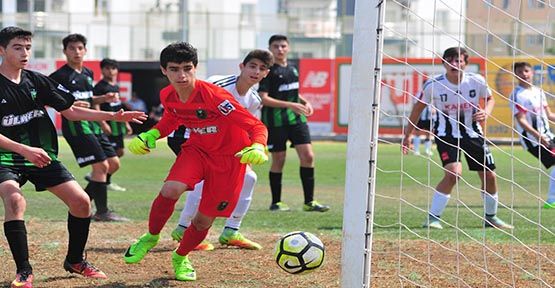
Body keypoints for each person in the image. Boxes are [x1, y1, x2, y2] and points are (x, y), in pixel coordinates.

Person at [0, 26, 146, 288]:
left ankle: (76, 260)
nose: (25, 53)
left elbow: (72, 111)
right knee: (14, 201)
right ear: (2, 50)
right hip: (6, 157)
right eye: (18, 47)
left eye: (28, 47)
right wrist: (24, 150)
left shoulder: (36, 80)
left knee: (81, 203)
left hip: (41, 155)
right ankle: (24, 271)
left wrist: (112, 116)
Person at [123, 42, 268, 282]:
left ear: (195, 68)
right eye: (174, 69)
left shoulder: (214, 96)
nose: (181, 75)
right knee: (170, 190)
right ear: (164, 70)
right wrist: (152, 134)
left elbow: (255, 125)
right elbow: (172, 118)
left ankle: (180, 257)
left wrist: (258, 146)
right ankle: (150, 237)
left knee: (203, 221)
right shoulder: (167, 94)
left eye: (187, 68)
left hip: (229, 160)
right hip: (197, 150)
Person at [169, 49, 274, 251]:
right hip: (189, 135)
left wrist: (250, 150)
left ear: (265, 74)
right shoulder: (218, 84)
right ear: (242, 67)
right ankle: (183, 229)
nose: (256, 71)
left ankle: (231, 231)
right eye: (252, 66)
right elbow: (190, 103)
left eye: (262, 68)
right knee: (203, 182)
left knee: (249, 178)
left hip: (221, 145)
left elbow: (244, 127)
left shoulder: (254, 100)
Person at [402, 47, 513, 230]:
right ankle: (432, 218)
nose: (455, 64)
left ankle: (491, 218)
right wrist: (408, 135)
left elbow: (490, 99)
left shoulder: (476, 81)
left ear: (465, 64)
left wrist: (486, 111)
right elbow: (417, 109)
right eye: (450, 61)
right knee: (453, 173)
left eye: (459, 61)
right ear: (444, 63)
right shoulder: (433, 85)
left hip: (473, 133)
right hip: (446, 135)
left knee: (489, 176)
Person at [49, 34, 127, 222]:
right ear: (65, 51)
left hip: (92, 124)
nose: (76, 52)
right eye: (72, 48)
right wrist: (70, 105)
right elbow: (50, 101)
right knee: (101, 167)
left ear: (85, 50)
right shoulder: (58, 77)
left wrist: (103, 99)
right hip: (76, 127)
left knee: (114, 163)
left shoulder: (88, 74)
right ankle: (102, 211)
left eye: (80, 48)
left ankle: (81, 202)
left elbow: (89, 100)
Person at [258, 34, 329, 212]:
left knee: (308, 156)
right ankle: (276, 202)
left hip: (296, 119)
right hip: (275, 121)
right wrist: (290, 104)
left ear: (288, 47)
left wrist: (305, 102)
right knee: (279, 160)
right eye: (276, 46)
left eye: (283, 46)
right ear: (270, 48)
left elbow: (291, 92)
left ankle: (309, 202)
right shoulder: (268, 71)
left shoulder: (293, 68)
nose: (280, 49)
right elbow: (263, 98)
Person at [510, 62, 555, 208]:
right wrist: (538, 136)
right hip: (532, 140)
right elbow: (521, 120)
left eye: (526, 71)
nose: (524, 74)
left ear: (532, 73)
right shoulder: (517, 95)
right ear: (515, 74)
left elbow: (549, 115)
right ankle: (551, 200)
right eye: (520, 71)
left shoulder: (539, 91)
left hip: (548, 135)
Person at [92, 58, 131, 192]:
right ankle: (101, 177)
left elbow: (118, 105)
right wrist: (102, 123)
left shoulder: (115, 86)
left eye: (113, 68)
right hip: (107, 124)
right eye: (107, 68)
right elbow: (95, 104)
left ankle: (101, 176)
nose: (111, 71)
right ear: (102, 70)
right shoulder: (100, 87)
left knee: (119, 152)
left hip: (117, 125)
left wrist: (126, 123)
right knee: (108, 154)